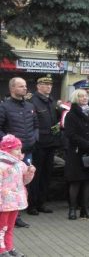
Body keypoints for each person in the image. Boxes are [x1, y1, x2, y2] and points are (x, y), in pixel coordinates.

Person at [0, 77, 38, 229]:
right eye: (21, 86)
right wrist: (8, 142)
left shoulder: (30, 106)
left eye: (25, 86)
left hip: (27, 151)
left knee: (23, 183)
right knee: (8, 184)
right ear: (12, 89)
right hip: (10, 155)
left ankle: (17, 215)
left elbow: (36, 125)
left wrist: (35, 138)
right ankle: (6, 215)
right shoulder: (4, 106)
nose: (25, 88)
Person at [63, 88, 89, 220]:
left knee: (88, 181)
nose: (84, 98)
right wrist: (86, 144)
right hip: (77, 152)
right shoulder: (71, 114)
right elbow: (70, 134)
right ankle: (73, 209)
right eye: (81, 96)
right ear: (76, 98)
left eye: (85, 96)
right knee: (76, 181)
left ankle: (85, 209)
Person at [27, 76, 58, 216]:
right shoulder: (33, 101)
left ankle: (41, 202)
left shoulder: (52, 101)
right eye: (45, 84)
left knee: (46, 174)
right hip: (38, 144)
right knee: (36, 175)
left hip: (51, 142)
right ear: (38, 86)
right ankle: (32, 204)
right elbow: (32, 124)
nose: (49, 87)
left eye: (50, 84)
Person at [0, 135, 35, 257]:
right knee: (2, 227)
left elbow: (24, 182)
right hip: (4, 202)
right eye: (16, 149)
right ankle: (1, 250)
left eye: (20, 148)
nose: (20, 151)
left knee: (10, 226)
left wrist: (30, 172)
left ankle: (9, 247)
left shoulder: (20, 164)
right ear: (7, 149)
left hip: (15, 201)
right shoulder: (1, 165)